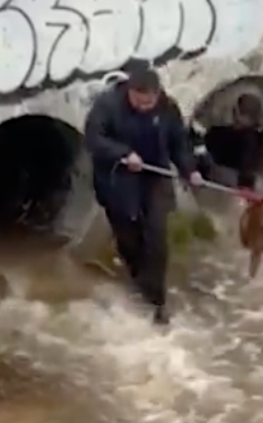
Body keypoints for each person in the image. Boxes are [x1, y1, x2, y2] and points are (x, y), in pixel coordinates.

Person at [85, 66, 203, 325]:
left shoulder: (167, 107)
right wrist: (123, 153)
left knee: (157, 236)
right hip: (118, 178)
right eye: (140, 101)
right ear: (130, 92)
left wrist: (189, 170)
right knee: (129, 238)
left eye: (150, 101)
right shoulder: (107, 105)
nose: (145, 106)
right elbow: (94, 139)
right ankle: (138, 278)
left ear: (157, 94)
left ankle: (157, 301)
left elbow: (178, 142)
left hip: (156, 174)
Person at [191, 93, 263, 191]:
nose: (234, 114)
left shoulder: (250, 142)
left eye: (237, 112)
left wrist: (202, 150)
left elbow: (243, 174)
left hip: (233, 180)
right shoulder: (228, 133)